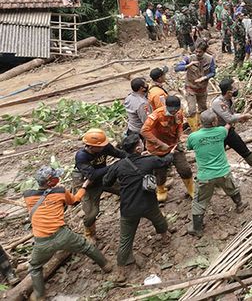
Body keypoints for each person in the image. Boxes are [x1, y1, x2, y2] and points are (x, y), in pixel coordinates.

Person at [25, 166, 111, 300]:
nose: (58, 179)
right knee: (86, 247)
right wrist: (84, 186)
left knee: (35, 267)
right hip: (63, 235)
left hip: (41, 242)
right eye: (56, 178)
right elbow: (75, 200)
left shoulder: (28, 195)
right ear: (51, 182)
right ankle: (107, 266)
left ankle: (39, 295)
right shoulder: (60, 191)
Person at [103, 134, 173, 280]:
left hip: (128, 207)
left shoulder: (118, 165)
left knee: (125, 239)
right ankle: (165, 237)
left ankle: (120, 272)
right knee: (158, 219)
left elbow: (106, 182)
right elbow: (165, 162)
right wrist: (172, 152)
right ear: (139, 148)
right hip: (148, 203)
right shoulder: (149, 160)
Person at [187, 110, 247, 236]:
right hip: (223, 172)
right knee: (232, 188)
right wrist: (231, 118)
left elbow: (189, 147)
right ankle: (240, 205)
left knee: (199, 201)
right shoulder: (220, 132)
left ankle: (197, 229)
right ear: (214, 122)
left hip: (205, 177)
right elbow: (227, 126)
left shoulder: (193, 137)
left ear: (200, 122)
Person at [72, 129, 127, 240]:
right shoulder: (81, 156)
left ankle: (131, 213)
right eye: (100, 147)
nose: (103, 148)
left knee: (125, 190)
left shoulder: (104, 146)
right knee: (91, 213)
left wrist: (133, 156)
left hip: (104, 178)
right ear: (90, 146)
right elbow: (92, 175)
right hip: (88, 185)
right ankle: (89, 233)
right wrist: (113, 167)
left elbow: (119, 154)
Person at [211, 77, 252, 176]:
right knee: (218, 156)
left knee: (242, 148)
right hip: (219, 133)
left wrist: (239, 118)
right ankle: (215, 177)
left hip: (228, 130)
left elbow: (231, 115)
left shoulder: (229, 100)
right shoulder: (218, 103)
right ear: (228, 92)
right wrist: (242, 116)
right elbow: (229, 118)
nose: (236, 89)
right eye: (234, 88)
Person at [140, 96, 194, 202]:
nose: (175, 112)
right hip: (157, 149)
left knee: (185, 169)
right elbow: (144, 131)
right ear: (167, 107)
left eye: (177, 109)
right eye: (172, 110)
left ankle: (191, 189)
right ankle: (161, 190)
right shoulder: (156, 115)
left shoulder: (179, 113)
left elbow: (179, 126)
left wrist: (179, 136)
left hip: (173, 145)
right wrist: (159, 143)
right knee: (160, 173)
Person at [174, 40, 216, 132]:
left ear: (204, 51)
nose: (197, 53)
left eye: (200, 52)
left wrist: (205, 77)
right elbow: (177, 68)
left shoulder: (210, 59)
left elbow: (213, 72)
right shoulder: (189, 58)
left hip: (202, 89)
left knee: (203, 110)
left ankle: (204, 128)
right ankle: (194, 130)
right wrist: (189, 65)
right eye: (196, 51)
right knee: (192, 110)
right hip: (191, 88)